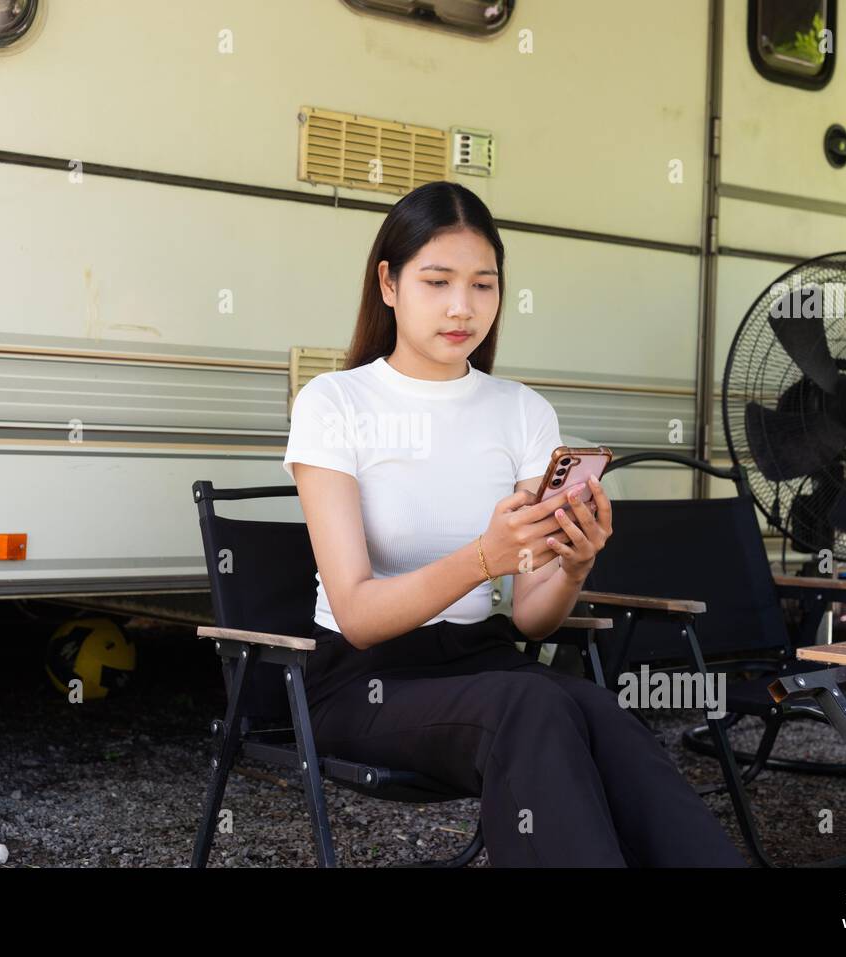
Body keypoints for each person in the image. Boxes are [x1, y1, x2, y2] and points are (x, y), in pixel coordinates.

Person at [282, 180, 745, 867]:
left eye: (484, 285)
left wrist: (575, 563)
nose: (462, 307)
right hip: (365, 682)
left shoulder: (521, 411)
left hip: (486, 661)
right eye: (437, 281)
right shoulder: (335, 403)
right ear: (389, 283)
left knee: (599, 714)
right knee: (532, 706)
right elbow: (356, 613)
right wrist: (482, 558)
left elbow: (532, 618)